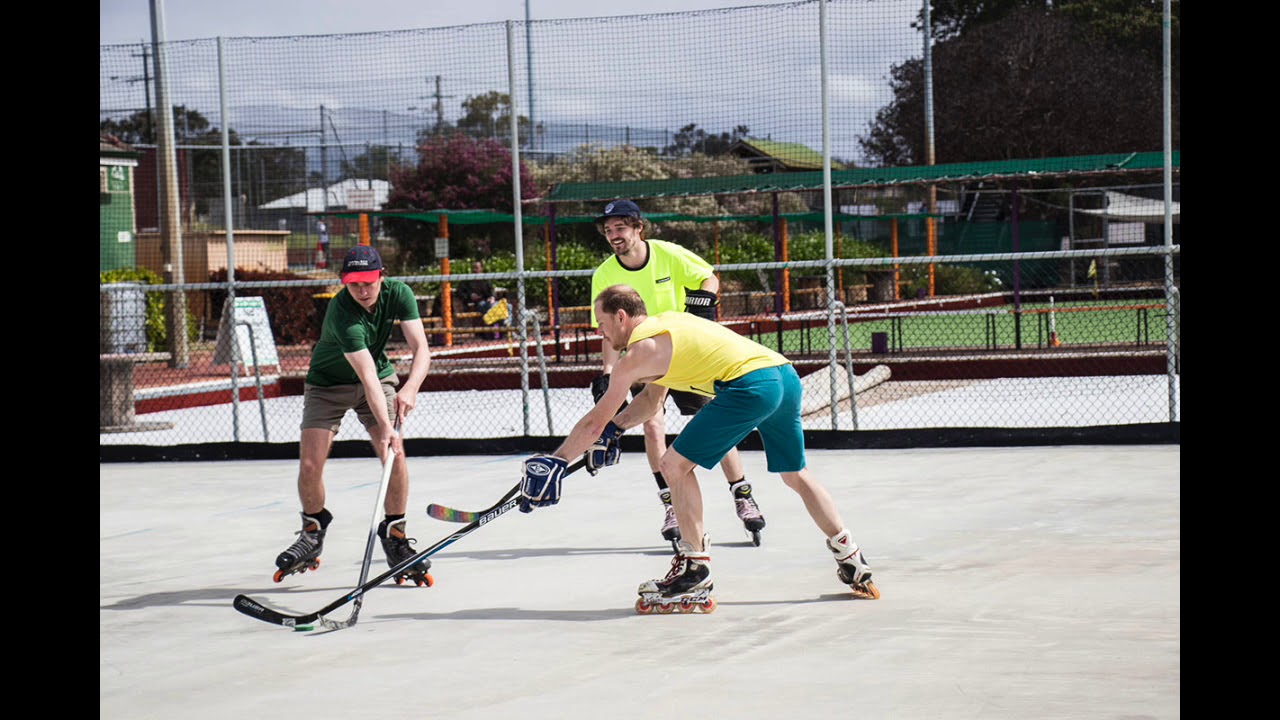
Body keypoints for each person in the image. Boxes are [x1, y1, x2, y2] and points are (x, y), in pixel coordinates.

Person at [518, 284, 879, 611]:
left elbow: (594, 420)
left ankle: (695, 568)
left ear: (621, 316)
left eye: (601, 321)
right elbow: (650, 401)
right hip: (783, 376)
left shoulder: (637, 353)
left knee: (673, 465)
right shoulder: (668, 326)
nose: (599, 330)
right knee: (794, 474)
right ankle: (850, 555)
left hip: (750, 387)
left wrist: (558, 460)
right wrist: (616, 429)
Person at [588, 199, 766, 549]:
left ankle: (741, 493)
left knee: (712, 417)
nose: (614, 235)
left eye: (620, 228)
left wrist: (703, 301)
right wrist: (608, 371)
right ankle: (670, 504)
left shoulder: (668, 254)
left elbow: (708, 278)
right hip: (642, 356)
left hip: (684, 351)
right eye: (608, 230)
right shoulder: (605, 275)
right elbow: (608, 326)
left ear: (639, 227)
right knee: (652, 425)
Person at [273, 244, 436, 586]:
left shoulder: (400, 294)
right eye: (354, 284)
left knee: (394, 456)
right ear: (344, 283)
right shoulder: (341, 313)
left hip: (380, 378)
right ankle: (313, 530)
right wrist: (389, 427)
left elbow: (422, 350)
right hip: (328, 385)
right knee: (310, 464)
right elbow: (366, 379)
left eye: (368, 282)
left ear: (381, 277)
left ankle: (395, 537)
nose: (362, 290)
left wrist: (410, 389)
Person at [455, 260, 509, 339]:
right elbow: (459, 292)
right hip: (475, 304)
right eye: (473, 268)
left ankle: (499, 330)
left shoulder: (485, 279)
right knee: (491, 308)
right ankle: (498, 332)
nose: (474, 270)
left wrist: (492, 297)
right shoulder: (467, 280)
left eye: (476, 268)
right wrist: (470, 296)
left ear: (481, 269)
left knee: (506, 306)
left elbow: (491, 290)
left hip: (488, 302)